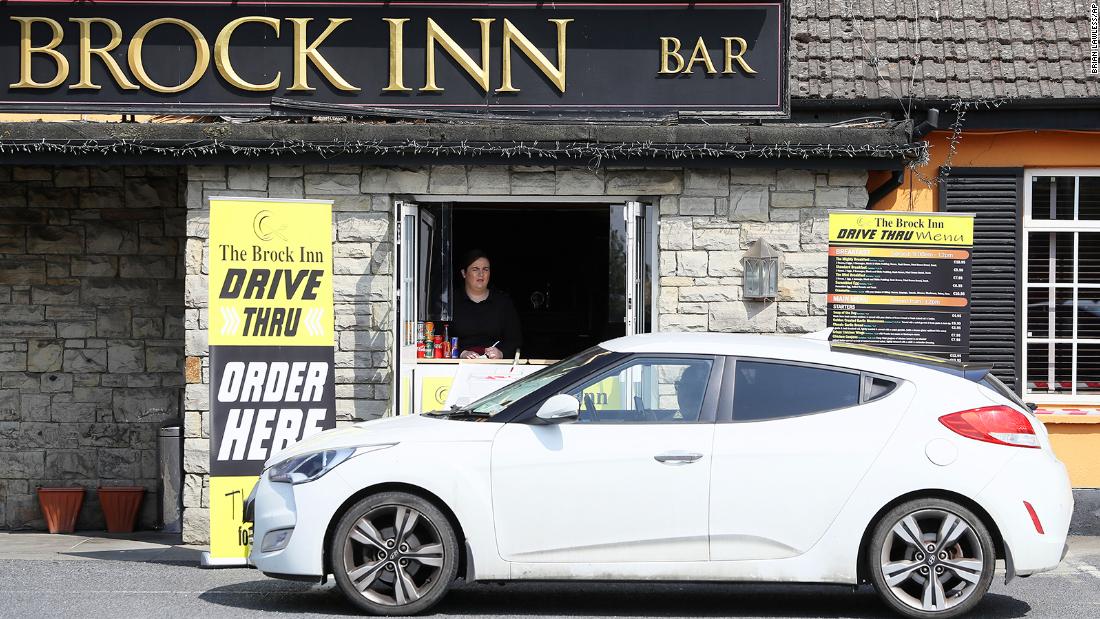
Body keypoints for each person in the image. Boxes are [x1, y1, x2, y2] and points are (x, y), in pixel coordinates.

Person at [451, 249, 522, 360]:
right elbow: (440, 337)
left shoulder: (503, 302)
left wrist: (501, 353)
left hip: (496, 366)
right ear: (464, 273)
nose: (481, 274)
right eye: (475, 269)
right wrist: (461, 352)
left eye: (485, 269)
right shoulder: (451, 302)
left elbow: (515, 340)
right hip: (457, 365)